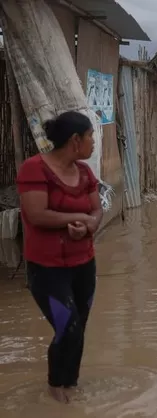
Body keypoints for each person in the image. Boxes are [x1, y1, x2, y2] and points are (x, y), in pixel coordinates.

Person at [16, 111, 102, 404]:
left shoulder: (86, 173)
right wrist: (80, 217)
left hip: (83, 264)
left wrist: (90, 224)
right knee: (69, 326)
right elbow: (36, 214)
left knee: (80, 328)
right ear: (75, 141)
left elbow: (97, 210)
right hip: (48, 269)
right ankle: (55, 387)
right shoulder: (34, 169)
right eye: (91, 136)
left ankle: (71, 385)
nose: (93, 142)